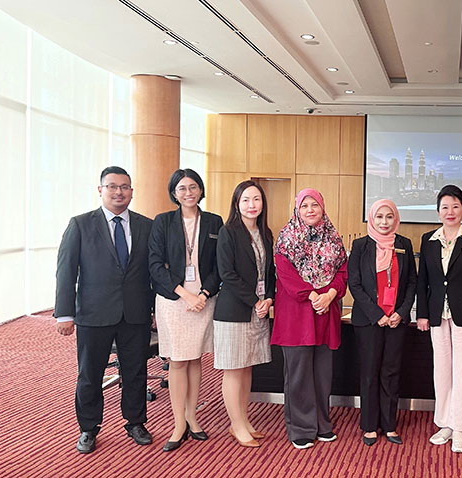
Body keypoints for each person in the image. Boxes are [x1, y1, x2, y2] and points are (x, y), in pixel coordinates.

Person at [54, 166, 154, 454]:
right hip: (93, 313)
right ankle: (88, 428)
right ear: (100, 190)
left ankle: (136, 422)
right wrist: (64, 313)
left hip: (135, 313)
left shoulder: (146, 226)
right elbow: (66, 271)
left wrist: (156, 309)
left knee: (136, 372)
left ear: (132, 191)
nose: (119, 192)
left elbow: (153, 272)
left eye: (124, 187)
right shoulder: (80, 224)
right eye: (112, 186)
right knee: (90, 374)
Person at [148, 169, 222, 452]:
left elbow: (219, 265)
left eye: (193, 187)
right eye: (182, 188)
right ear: (174, 193)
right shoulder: (163, 222)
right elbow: (155, 264)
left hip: (204, 300)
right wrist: (185, 294)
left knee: (195, 359)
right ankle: (179, 422)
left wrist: (203, 294)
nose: (188, 192)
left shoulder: (214, 221)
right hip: (174, 300)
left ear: (200, 190)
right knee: (178, 360)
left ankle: (192, 416)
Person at [416, 184, 462, 454]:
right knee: (442, 371)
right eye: (445, 207)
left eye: (455, 206)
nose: (450, 212)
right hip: (437, 313)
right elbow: (423, 280)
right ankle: (445, 423)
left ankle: (460, 427)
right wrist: (422, 313)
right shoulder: (429, 239)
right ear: (438, 211)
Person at [272, 188, 348, 449]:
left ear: (322, 207)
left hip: (325, 312)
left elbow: (343, 271)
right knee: (299, 373)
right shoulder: (286, 237)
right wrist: (314, 295)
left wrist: (331, 294)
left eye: (314, 204)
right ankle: (301, 428)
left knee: (322, 373)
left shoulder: (333, 237)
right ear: (297, 210)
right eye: (304, 206)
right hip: (297, 313)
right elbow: (286, 274)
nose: (310, 210)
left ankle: (322, 424)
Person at [348, 199, 417, 446]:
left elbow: (412, 282)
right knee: (369, 371)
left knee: (391, 372)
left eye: (389, 217)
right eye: (379, 217)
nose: (384, 222)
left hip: (396, 320)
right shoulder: (360, 246)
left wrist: (402, 311)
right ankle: (369, 425)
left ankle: (389, 425)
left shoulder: (404, 245)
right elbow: (354, 283)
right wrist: (376, 314)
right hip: (369, 321)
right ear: (371, 218)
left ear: (395, 219)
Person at [213, 180, 275, 448]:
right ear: (237, 204)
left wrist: (268, 298)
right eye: (246, 200)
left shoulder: (265, 233)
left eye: (256, 199)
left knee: (248, 367)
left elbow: (270, 272)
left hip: (258, 310)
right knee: (234, 370)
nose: (252, 205)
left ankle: (243, 419)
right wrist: (255, 301)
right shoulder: (228, 232)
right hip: (234, 311)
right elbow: (227, 274)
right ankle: (236, 424)